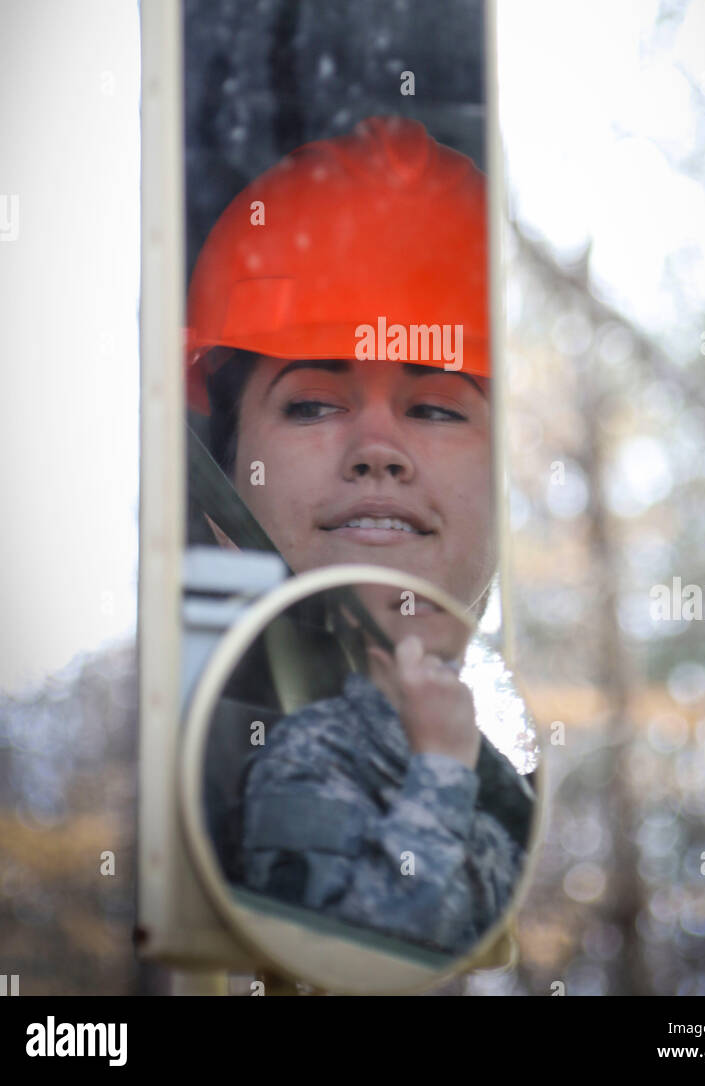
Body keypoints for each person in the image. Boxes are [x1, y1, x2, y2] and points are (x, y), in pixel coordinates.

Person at [185, 115, 533, 956]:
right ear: (222, 482)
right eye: (310, 402)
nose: (377, 451)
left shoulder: (519, 796)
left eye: (437, 407)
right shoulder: (216, 771)